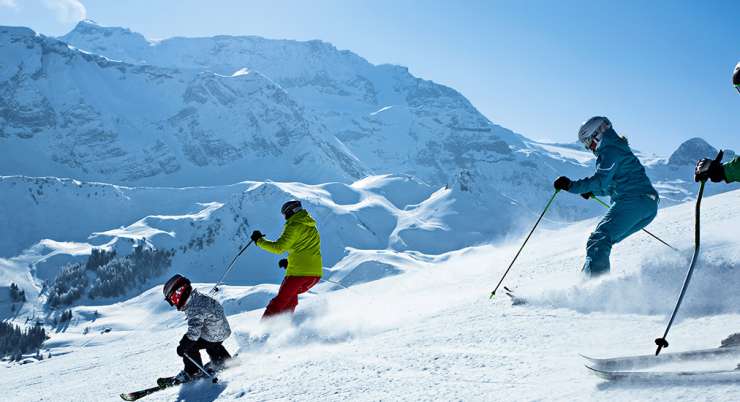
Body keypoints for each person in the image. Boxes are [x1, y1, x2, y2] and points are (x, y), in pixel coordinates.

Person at [553, 116, 659, 277]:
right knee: (602, 240)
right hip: (646, 205)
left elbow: (601, 180)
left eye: (589, 143)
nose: (590, 148)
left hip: (634, 201)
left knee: (599, 239)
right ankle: (588, 285)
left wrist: (571, 186)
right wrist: (593, 191)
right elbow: (614, 184)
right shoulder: (617, 148)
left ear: (597, 135)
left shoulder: (610, 151)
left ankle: (595, 288)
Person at [251, 200, 323, 319]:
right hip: (315, 274)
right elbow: (306, 248)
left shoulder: (294, 225)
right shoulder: (311, 226)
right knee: (290, 300)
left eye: (285, 214)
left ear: (290, 212)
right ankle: (284, 329)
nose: (284, 217)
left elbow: (279, 247)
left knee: (279, 302)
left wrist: (259, 241)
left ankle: (263, 331)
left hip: (298, 273)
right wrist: (290, 262)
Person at [163, 274, 232, 384]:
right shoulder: (197, 297)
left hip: (213, 334)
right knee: (213, 345)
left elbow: (194, 333)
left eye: (172, 300)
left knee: (189, 346)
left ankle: (192, 372)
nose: (173, 304)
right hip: (223, 331)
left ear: (178, 293)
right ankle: (223, 361)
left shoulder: (194, 307)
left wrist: (183, 346)